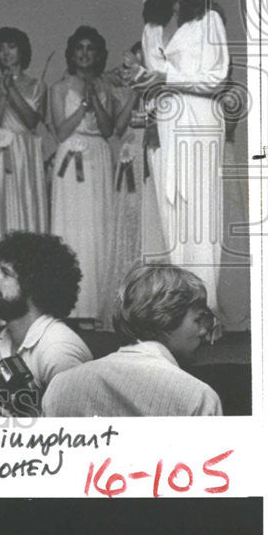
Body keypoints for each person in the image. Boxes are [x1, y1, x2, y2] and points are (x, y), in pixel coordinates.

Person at [130, 0, 229, 310]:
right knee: (166, 214)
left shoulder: (208, 20)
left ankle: (203, 310)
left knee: (198, 214)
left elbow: (216, 78)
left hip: (198, 123)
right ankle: (170, 311)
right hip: (163, 125)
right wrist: (144, 86)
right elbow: (150, 82)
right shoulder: (152, 26)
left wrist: (165, 76)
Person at [42, 263, 222, 416]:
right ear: (166, 317)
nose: (203, 331)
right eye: (198, 319)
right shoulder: (197, 397)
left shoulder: (60, 385)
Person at [0, 28, 48, 325]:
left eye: (12, 47)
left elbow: (31, 121)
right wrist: (1, 96)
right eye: (1, 48)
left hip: (24, 153)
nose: (7, 53)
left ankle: (30, 306)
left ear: (22, 51)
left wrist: (12, 92)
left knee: (26, 218)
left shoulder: (37, 85)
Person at [0, 232, 92, 405]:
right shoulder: (3, 342)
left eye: (5, 272)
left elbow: (77, 428)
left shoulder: (59, 352)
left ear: (32, 285)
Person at [49, 26, 115, 322]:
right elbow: (61, 131)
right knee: (72, 225)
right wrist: (82, 106)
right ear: (72, 53)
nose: (85, 54)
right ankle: (70, 305)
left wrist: (96, 100)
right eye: (80, 48)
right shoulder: (59, 88)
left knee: (98, 226)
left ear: (98, 54)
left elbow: (108, 129)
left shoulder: (105, 86)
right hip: (71, 157)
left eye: (91, 49)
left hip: (98, 155)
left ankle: (96, 304)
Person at [102, 42, 167, 329]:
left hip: (151, 159)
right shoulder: (124, 92)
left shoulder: (162, 93)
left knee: (150, 228)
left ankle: (152, 306)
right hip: (129, 160)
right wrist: (132, 92)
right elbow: (117, 128)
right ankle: (122, 308)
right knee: (128, 227)